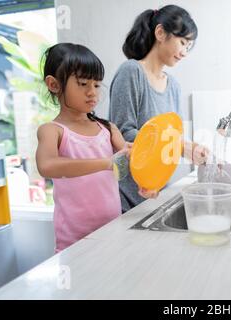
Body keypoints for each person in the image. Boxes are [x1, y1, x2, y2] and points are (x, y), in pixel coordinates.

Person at [36, 43, 157, 252]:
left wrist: (147, 183)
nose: (92, 93)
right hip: (73, 242)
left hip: (113, 231)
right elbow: (47, 165)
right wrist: (105, 163)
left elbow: (131, 160)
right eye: (83, 83)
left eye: (97, 85)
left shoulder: (108, 128)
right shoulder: (52, 131)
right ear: (54, 85)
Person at [110, 5, 207, 213]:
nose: (184, 53)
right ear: (160, 33)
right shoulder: (131, 72)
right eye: (182, 42)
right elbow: (123, 134)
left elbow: (171, 136)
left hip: (157, 194)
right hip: (128, 199)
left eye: (188, 46)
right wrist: (180, 146)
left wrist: (191, 148)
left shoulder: (173, 86)